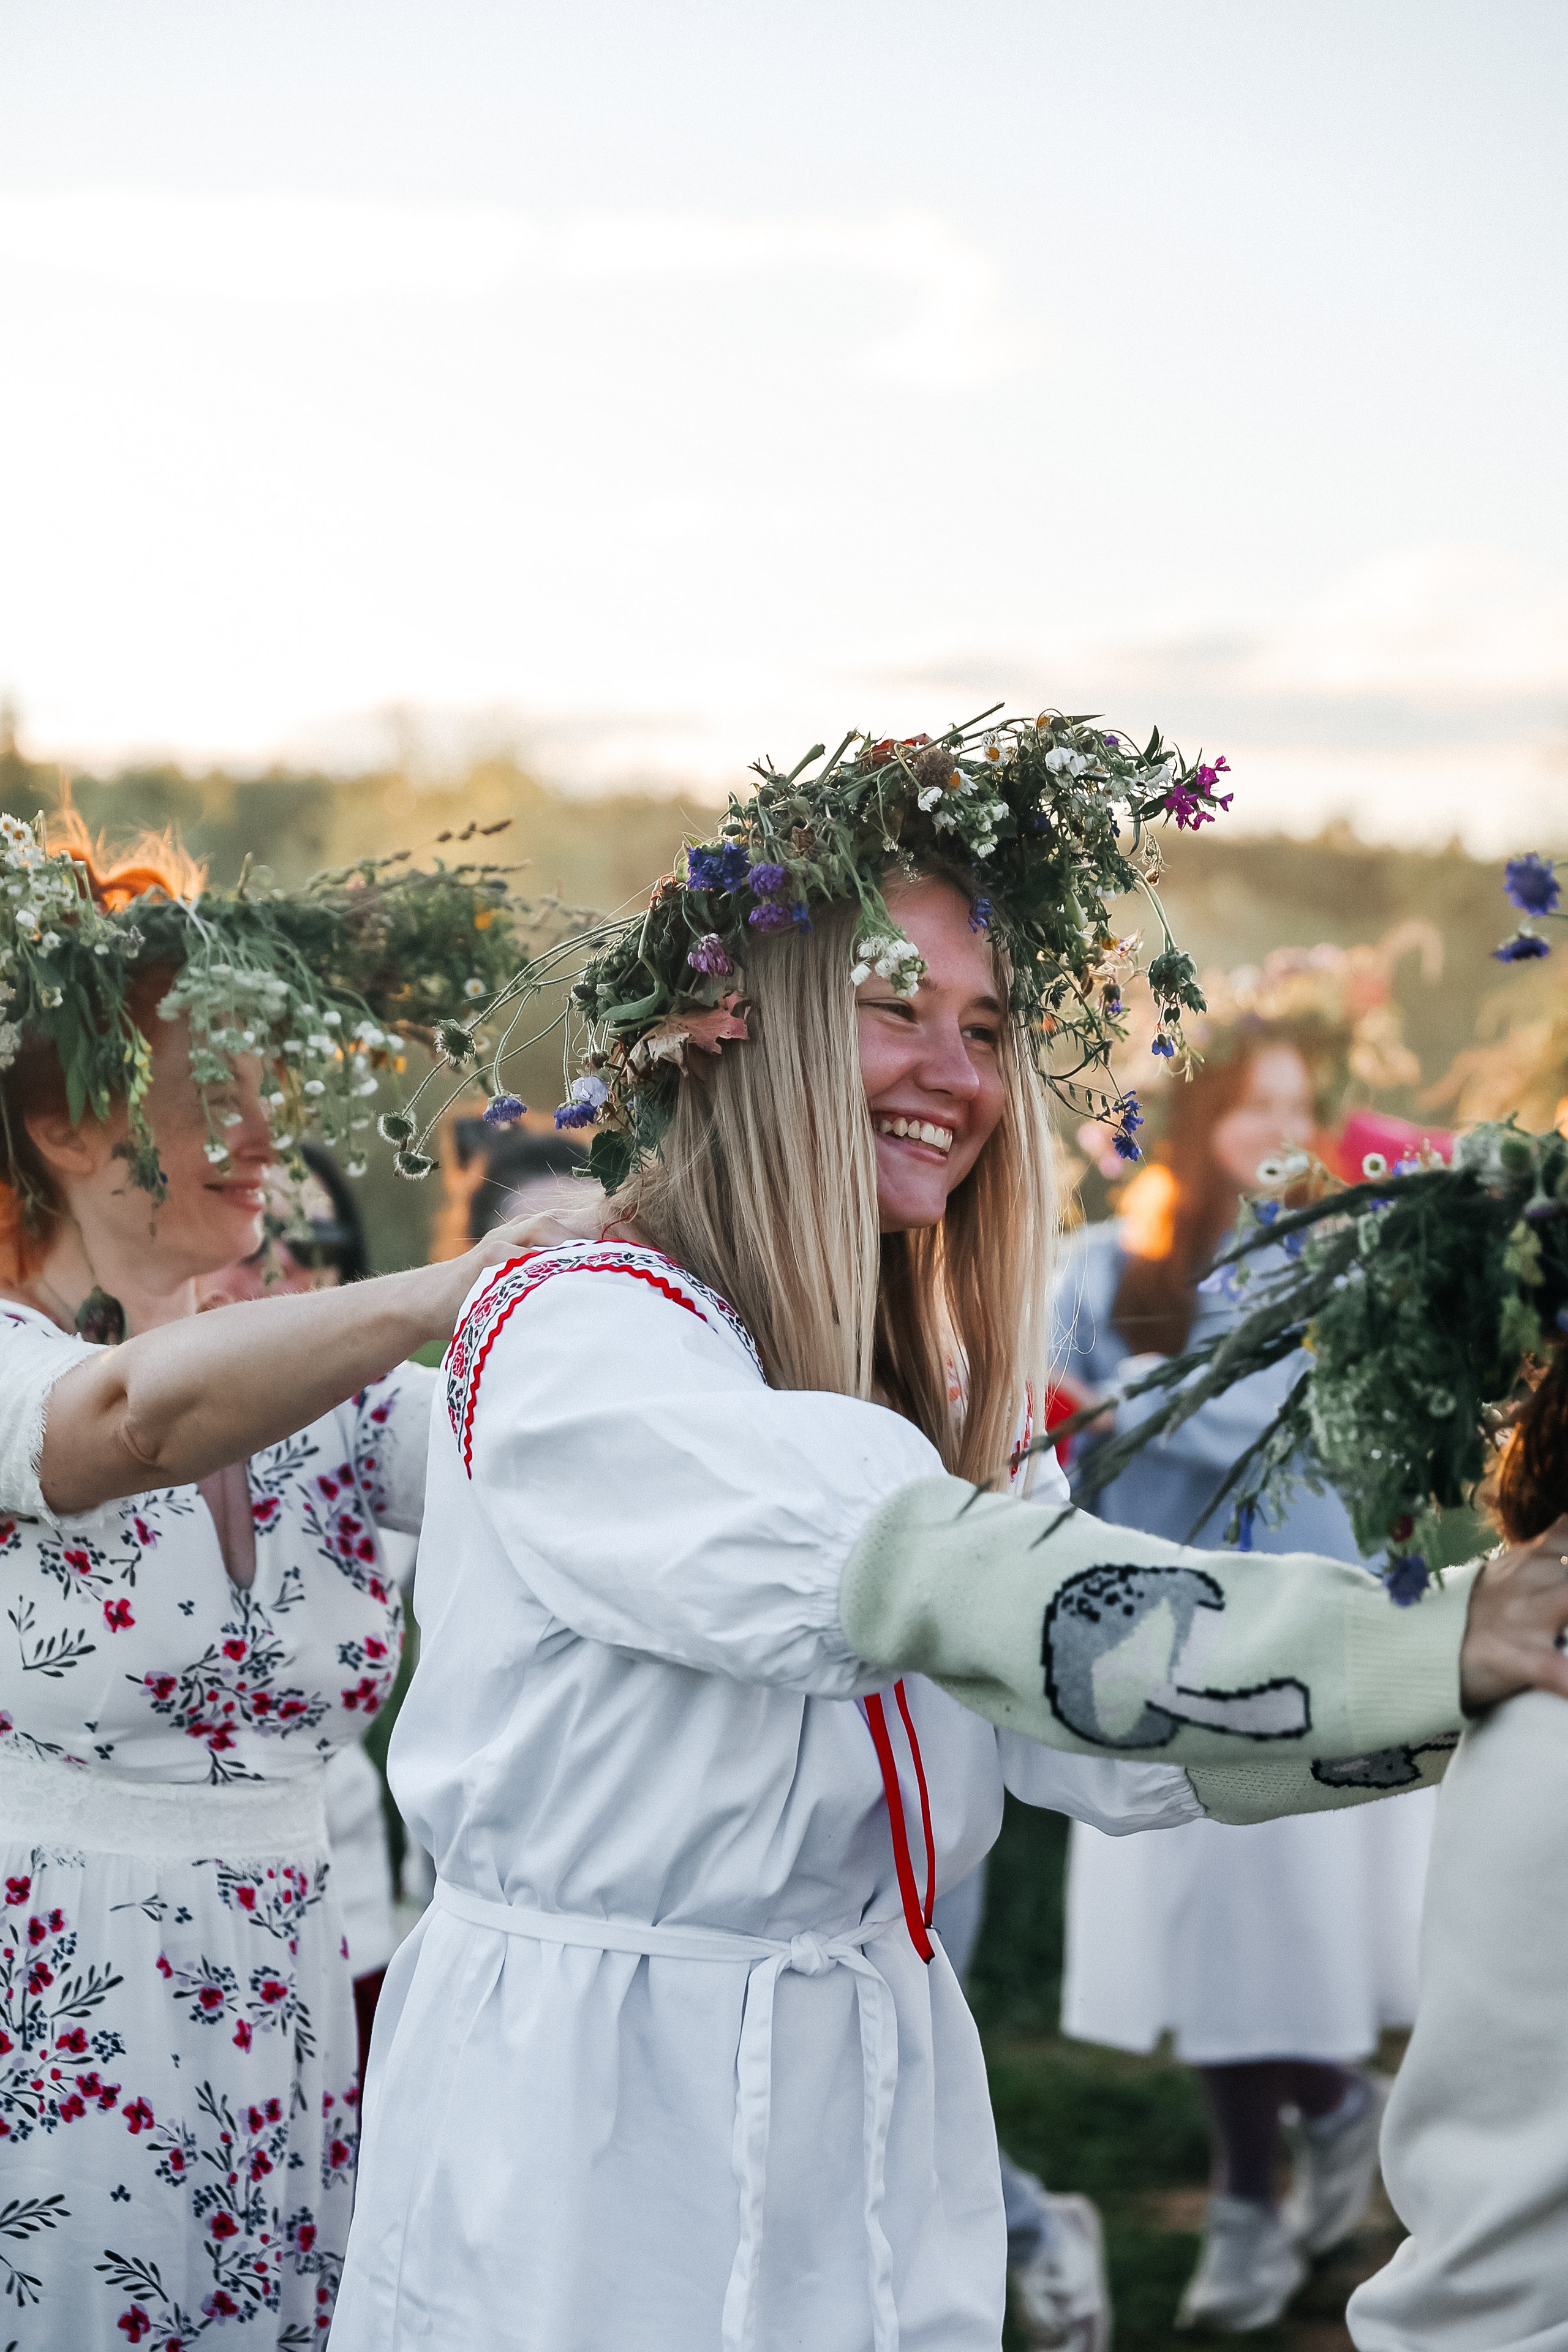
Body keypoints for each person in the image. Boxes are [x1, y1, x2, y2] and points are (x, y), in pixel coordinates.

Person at [319, 715, 1568, 2352]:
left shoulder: (936, 1380)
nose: (962, 1079)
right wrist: (1437, 1631)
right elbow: (932, 1580)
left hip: (869, 2085)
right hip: (598, 2130)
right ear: (728, 1024)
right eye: (894, 1010)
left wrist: (1462, 1683)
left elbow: (1096, 1740)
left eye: (990, 1030)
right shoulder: (581, 1333)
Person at [0, 814, 532, 2347]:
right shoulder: (25, 1371)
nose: (257, 1126)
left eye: (262, 1083)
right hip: (60, 2016)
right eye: (207, 1090)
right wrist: (450, 1284)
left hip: (293, 2006)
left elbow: (558, 1474)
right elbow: (129, 1422)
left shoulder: (327, 1409)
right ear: (65, 1124)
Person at [1054, 1020, 1439, 2331]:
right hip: (1150, 1646)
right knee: (1204, 1940)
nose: (1279, 1131)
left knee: (1265, 1935)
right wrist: (1069, 1409)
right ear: (1198, 1118)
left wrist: (1112, 1399)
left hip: (1296, 1635)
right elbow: (1033, 1408)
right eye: (1250, 1104)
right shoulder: (1107, 1263)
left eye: (1297, 1106)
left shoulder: (1332, 1267)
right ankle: (1323, 2119)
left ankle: (1246, 2198)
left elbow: (1287, 1413)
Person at [199, 1144, 412, 2087]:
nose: (282, 1262)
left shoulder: (377, 1424)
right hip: (127, 1929)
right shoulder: (93, 1412)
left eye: (313, 1237)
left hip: (342, 1918)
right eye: (256, 1233)